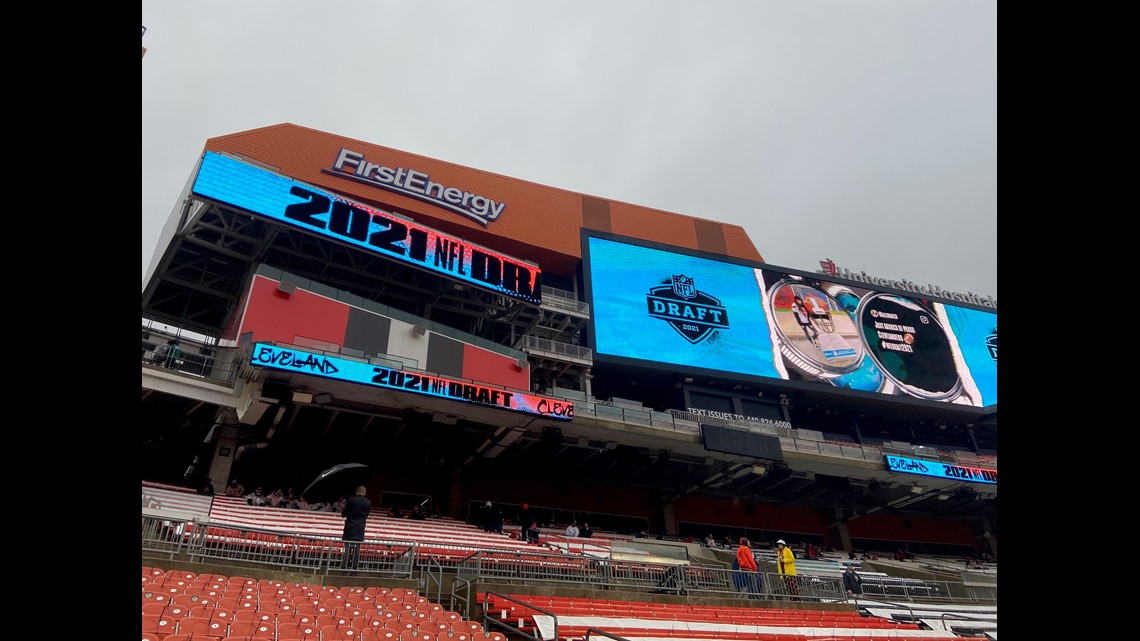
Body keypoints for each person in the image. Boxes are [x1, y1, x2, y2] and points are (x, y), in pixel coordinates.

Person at [341, 485, 371, 570]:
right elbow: (366, 515)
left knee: (348, 548)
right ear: (364, 493)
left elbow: (344, 514)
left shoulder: (351, 500)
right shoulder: (368, 503)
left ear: (357, 492)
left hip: (350, 527)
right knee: (357, 550)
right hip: (360, 529)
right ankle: (354, 568)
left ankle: (344, 567)